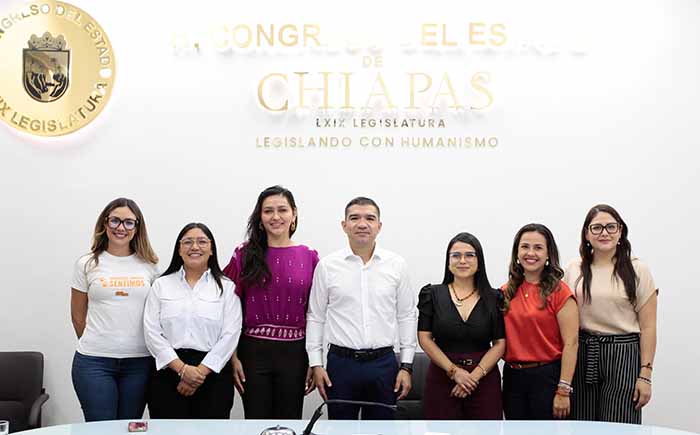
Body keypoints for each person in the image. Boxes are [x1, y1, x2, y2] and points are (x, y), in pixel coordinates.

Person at [306, 197, 417, 420]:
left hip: (383, 364)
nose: (362, 224)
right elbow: (315, 317)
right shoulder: (327, 266)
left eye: (370, 218)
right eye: (354, 218)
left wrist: (406, 366)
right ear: (344, 225)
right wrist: (316, 364)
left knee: (381, 430)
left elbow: (406, 316)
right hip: (341, 364)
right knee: (340, 430)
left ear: (379, 226)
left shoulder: (396, 265)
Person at [224, 185, 319, 419]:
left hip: (295, 353)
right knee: (256, 421)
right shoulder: (243, 254)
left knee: (290, 422)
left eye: (282, 210)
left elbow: (316, 314)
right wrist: (232, 357)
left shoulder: (310, 256)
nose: (275, 217)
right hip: (252, 352)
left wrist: (315, 361)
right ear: (260, 217)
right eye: (268, 211)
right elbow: (228, 309)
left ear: (294, 214)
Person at [563, 204, 658, 424]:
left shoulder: (638, 270)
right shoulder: (573, 268)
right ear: (586, 234)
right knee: (581, 424)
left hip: (623, 353)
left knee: (619, 423)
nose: (604, 233)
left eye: (611, 227)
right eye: (596, 228)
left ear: (620, 231)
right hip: (583, 352)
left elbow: (648, 327)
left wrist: (645, 375)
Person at [70, 198, 159, 422]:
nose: (121, 227)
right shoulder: (87, 264)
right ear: (105, 223)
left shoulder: (150, 265)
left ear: (137, 227)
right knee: (100, 429)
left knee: (128, 427)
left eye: (129, 222)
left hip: (139, 362)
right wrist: (101, 342)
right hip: (94, 362)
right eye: (115, 221)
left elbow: (157, 315)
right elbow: (77, 316)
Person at [144, 223, 242, 419]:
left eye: (202, 242)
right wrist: (182, 370)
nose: (195, 247)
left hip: (213, 374)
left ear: (211, 249)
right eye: (188, 242)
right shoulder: (161, 285)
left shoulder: (227, 287)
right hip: (169, 371)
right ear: (179, 249)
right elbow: (151, 331)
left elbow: (230, 334)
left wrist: (199, 373)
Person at [418, 232, 505, 420]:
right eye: (456, 255)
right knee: (440, 431)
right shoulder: (432, 294)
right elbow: (424, 338)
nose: (462, 261)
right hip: (442, 376)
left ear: (479, 261)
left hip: (483, 379)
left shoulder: (494, 297)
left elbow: (500, 344)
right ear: (448, 261)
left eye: (470, 255)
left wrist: (473, 377)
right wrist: (454, 372)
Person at [501, 223, 579, 420]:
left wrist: (563, 390)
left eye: (538, 248)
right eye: (525, 247)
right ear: (517, 253)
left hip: (547, 379)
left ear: (548, 254)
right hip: (512, 378)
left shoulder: (560, 292)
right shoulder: (505, 292)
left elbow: (571, 343)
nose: (531, 253)